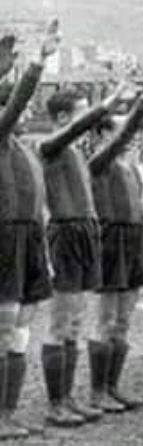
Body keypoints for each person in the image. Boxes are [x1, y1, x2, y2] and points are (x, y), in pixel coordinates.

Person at [39, 75, 129, 426]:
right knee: (61, 322)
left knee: (75, 322)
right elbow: (81, 128)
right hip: (65, 234)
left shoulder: (74, 151)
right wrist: (110, 101)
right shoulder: (51, 145)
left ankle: (68, 397)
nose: (85, 122)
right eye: (80, 114)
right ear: (64, 119)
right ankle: (55, 402)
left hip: (86, 233)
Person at [0, 28, 58, 438]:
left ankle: (9, 411)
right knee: (4, 329)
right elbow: (17, 97)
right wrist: (35, 64)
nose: (19, 113)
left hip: (31, 239)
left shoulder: (27, 151)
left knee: (21, 330)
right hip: (4, 239)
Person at [87, 88, 143, 414]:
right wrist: (142, 105)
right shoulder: (99, 162)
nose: (127, 137)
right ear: (102, 134)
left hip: (132, 240)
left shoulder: (129, 168)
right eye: (119, 129)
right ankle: (97, 391)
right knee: (107, 319)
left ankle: (113, 386)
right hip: (111, 241)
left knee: (124, 319)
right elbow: (120, 141)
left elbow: (139, 211)